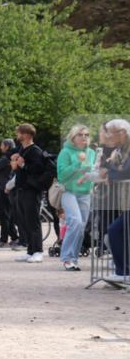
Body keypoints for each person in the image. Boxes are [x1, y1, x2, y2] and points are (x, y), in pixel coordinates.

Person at [57, 125, 96, 271]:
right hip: (69, 192)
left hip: (86, 193)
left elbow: (94, 171)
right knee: (76, 222)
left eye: (86, 134)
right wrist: (78, 163)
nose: (84, 137)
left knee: (81, 228)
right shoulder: (65, 152)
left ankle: (74, 259)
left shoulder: (91, 153)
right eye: (80, 134)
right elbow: (62, 175)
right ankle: (67, 258)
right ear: (73, 137)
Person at [99, 119, 130, 281]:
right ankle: (123, 271)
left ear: (122, 133)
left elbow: (126, 172)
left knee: (115, 231)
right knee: (117, 232)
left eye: (111, 133)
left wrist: (110, 173)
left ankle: (124, 272)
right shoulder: (120, 150)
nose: (109, 136)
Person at [13, 123, 47, 263]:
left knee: (33, 221)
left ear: (26, 135)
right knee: (25, 221)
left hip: (32, 190)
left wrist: (23, 165)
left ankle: (38, 251)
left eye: (19, 133)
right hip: (22, 189)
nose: (17, 135)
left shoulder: (35, 151)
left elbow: (38, 169)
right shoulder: (23, 149)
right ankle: (30, 250)